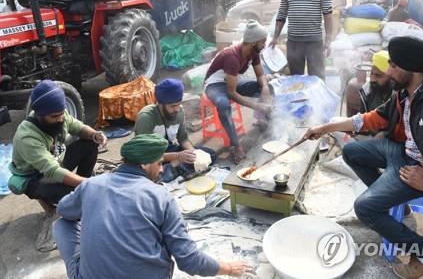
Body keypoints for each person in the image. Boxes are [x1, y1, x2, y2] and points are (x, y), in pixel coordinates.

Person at [304, 36, 423, 278]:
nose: (389, 72)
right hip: (406, 154)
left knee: (365, 208)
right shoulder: (405, 94)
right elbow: (372, 119)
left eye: (393, 66)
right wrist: (325, 128)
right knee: (352, 152)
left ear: (413, 69)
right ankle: (394, 202)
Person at [53, 134, 253, 279]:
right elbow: (189, 260)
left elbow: (63, 210)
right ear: (144, 165)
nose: (160, 170)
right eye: (159, 164)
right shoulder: (161, 197)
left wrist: (96, 216)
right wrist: (228, 268)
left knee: (61, 225)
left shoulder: (91, 184)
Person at [9, 80, 106, 251]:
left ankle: (82, 189)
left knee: (89, 144)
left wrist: (95, 134)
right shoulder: (27, 137)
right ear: (39, 115)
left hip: (55, 161)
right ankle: (69, 199)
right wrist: (87, 185)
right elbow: (53, 171)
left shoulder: (58, 114)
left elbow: (78, 127)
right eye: (54, 116)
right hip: (35, 177)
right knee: (70, 195)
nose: (60, 118)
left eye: (62, 113)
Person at [204, 20, 272, 163]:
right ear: (253, 42)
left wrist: (265, 88)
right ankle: (237, 146)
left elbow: (260, 75)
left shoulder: (253, 52)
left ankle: (265, 120)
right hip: (215, 85)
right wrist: (258, 106)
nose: (264, 45)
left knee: (268, 87)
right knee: (223, 105)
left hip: (233, 81)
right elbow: (232, 93)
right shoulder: (232, 57)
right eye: (263, 41)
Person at [135, 78, 217, 182]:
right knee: (146, 173)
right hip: (152, 157)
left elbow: (183, 139)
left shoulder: (179, 111)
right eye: (173, 106)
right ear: (161, 104)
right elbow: (145, 154)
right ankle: (174, 169)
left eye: (178, 104)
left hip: (170, 150)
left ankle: (174, 170)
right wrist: (177, 157)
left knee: (210, 155)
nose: (177, 109)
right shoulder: (146, 117)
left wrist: (193, 153)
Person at [270, 0, 333, 80]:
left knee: (317, 79)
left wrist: (328, 40)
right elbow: (282, 13)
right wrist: (275, 37)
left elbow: (328, 14)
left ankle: (318, 101)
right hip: (294, 42)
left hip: (314, 42)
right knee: (295, 79)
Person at [357, 50, 393, 115]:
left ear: (390, 76)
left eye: (378, 75)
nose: (372, 79)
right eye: (371, 73)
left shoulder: (400, 97)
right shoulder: (366, 92)